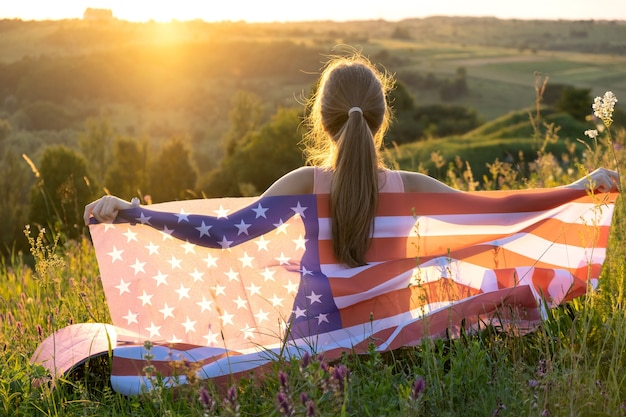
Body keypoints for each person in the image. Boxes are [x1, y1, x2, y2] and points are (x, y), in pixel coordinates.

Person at [84, 53, 619, 268]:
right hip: (395, 345)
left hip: (315, 352)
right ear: (382, 119)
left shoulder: (301, 184)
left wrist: (135, 213)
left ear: (321, 120)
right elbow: (498, 209)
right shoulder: (411, 187)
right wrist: (580, 187)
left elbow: (220, 234)